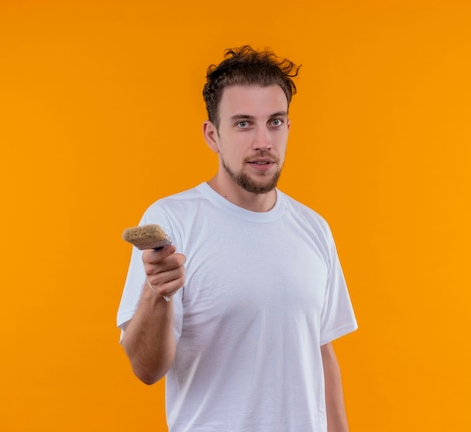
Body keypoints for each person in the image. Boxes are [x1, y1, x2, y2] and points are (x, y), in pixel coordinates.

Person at [117, 45, 358, 432]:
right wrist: (156, 292)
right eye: (244, 123)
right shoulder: (172, 221)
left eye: (275, 122)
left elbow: (321, 352)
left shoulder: (314, 228)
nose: (263, 141)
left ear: (288, 128)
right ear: (212, 135)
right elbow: (146, 370)